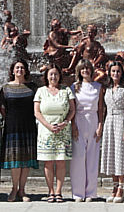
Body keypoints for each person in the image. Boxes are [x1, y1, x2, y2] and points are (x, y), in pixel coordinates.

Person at [0, 59, 39, 202]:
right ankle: (14, 189)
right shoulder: (5, 88)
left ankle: (22, 190)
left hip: (28, 126)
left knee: (26, 160)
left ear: (26, 70)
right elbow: (1, 107)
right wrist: (10, 120)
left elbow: (38, 105)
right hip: (12, 127)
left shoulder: (32, 87)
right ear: (13, 70)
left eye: (22, 68)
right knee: (15, 160)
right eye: (17, 68)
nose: (20, 70)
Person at [34, 65, 75, 202]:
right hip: (46, 131)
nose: (53, 77)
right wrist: (48, 125)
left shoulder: (66, 90)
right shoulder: (40, 91)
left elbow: (72, 110)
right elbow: (37, 112)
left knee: (61, 161)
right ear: (46, 76)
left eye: (56, 74)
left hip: (63, 130)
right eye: (51, 74)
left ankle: (58, 191)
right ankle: (50, 191)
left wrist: (65, 122)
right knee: (48, 163)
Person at [101, 60, 124, 202]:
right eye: (113, 71)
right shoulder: (107, 88)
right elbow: (102, 108)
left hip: (121, 119)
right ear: (109, 72)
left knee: (120, 154)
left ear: (122, 73)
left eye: (118, 71)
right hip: (109, 120)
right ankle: (114, 187)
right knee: (111, 154)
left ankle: (121, 188)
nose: (116, 73)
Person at [70, 60, 104, 201]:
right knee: (78, 158)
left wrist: (100, 125)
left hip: (93, 120)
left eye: (87, 68)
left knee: (92, 158)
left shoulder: (98, 87)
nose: (85, 71)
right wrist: (73, 125)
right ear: (79, 71)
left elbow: (101, 108)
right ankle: (78, 193)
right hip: (79, 120)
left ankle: (90, 192)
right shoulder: (74, 87)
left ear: (91, 70)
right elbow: (71, 108)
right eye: (82, 69)